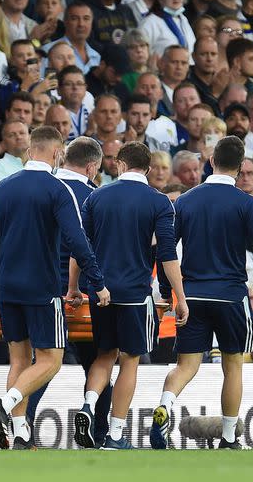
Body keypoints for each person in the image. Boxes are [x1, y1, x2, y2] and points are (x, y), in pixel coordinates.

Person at [150, 136, 253, 450]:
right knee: (233, 366)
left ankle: (165, 405)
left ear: (211, 162)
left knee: (186, 366)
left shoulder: (185, 201)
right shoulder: (245, 203)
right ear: (239, 169)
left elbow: (166, 250)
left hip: (193, 295)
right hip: (230, 297)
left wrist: (168, 291)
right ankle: (228, 437)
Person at [0, 126, 109, 450]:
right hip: (42, 286)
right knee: (51, 360)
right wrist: (97, 282)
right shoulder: (57, 189)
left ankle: (22, 435)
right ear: (58, 154)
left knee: (19, 361)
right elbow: (76, 240)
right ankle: (6, 404)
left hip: (8, 287)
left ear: (28, 151)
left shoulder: (3, 188)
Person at [72, 141, 188, 450]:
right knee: (130, 361)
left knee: (104, 355)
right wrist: (180, 297)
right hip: (135, 294)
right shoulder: (159, 202)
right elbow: (167, 255)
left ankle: (88, 404)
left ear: (120, 165)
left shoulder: (96, 197)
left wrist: (73, 288)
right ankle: (115, 435)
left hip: (100, 292)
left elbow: (80, 249)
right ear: (148, 169)